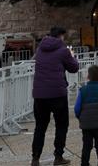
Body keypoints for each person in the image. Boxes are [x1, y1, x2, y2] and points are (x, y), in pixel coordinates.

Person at [31, 26, 80, 166]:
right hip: (57, 94)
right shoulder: (63, 50)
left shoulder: (40, 49)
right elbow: (74, 68)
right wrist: (71, 55)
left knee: (40, 127)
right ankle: (58, 156)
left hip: (40, 94)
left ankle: (35, 158)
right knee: (61, 125)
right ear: (60, 36)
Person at [74, 65, 98, 166]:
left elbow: (77, 108)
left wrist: (80, 117)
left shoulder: (82, 90)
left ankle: (84, 163)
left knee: (86, 146)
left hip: (86, 124)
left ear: (88, 76)